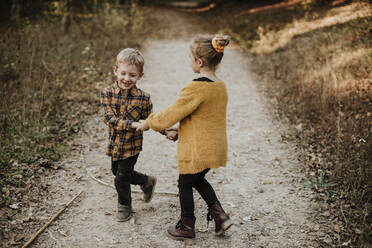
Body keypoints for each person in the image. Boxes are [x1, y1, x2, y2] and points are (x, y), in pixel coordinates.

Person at [134, 34, 233, 239]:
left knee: (184, 182)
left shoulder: (196, 87)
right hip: (214, 146)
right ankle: (220, 217)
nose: (189, 61)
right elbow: (205, 119)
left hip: (198, 149)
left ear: (200, 62)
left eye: (190, 57)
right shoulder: (220, 87)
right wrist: (180, 130)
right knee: (197, 179)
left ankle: (186, 225)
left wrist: (148, 123)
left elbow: (171, 113)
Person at [100, 48, 172, 222]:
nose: (126, 78)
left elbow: (150, 120)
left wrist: (166, 130)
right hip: (115, 143)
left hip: (132, 145)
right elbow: (109, 118)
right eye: (123, 73)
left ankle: (124, 205)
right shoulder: (107, 93)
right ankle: (146, 181)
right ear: (115, 70)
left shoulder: (143, 98)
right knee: (116, 171)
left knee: (121, 178)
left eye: (132, 75)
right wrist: (132, 124)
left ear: (140, 76)